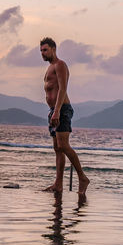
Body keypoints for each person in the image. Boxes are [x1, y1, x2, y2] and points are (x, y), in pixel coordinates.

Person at [39, 36, 89, 196]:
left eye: (45, 50)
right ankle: (58, 184)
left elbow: (62, 89)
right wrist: (53, 110)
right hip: (54, 110)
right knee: (57, 149)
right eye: (41, 50)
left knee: (63, 145)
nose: (42, 53)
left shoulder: (60, 65)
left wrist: (57, 111)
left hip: (62, 109)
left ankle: (82, 177)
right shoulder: (49, 67)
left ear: (53, 49)